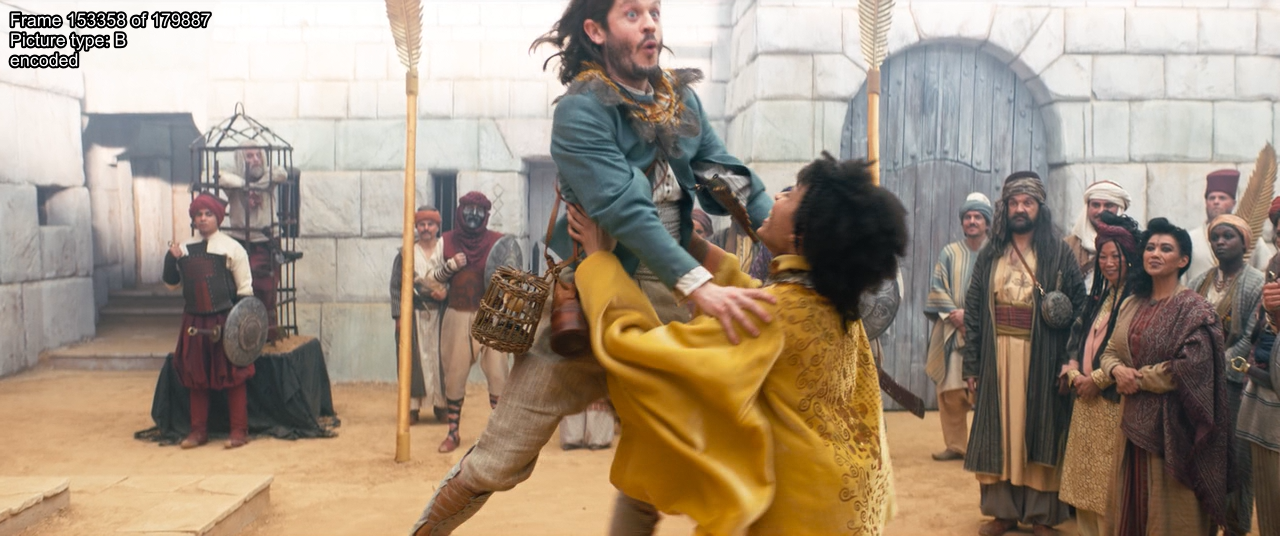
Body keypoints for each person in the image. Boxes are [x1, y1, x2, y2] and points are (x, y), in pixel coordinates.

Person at [410, 0, 773, 534]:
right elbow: (624, 207)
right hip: (585, 308)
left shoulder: (681, 101)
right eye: (632, 13)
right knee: (499, 457)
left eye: (655, 11)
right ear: (595, 30)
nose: (650, 23)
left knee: (662, 452)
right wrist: (699, 284)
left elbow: (727, 178)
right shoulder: (581, 110)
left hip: (671, 308)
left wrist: (784, 234)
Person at [565, 154, 903, 535]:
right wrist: (678, 240)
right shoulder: (838, 310)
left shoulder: (774, 315)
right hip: (850, 507)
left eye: (791, 195)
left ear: (803, 235)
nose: (777, 196)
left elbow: (644, 354)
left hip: (797, 518)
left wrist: (599, 262)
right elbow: (751, 294)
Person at [961, 171, 1085, 536]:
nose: (1020, 209)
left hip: (1042, 358)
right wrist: (972, 364)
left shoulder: (1059, 252)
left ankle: (1042, 516)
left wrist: (1068, 361)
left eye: (1027, 202)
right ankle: (1003, 512)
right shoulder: (991, 253)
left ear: (1039, 208)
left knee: (1039, 432)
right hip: (996, 356)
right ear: (1005, 208)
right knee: (998, 434)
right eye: (1013, 202)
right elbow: (973, 311)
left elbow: (1079, 308)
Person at [1099, 218, 1233, 535]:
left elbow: (1192, 366)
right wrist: (1116, 370)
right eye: (1150, 247)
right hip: (1130, 422)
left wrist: (1138, 379)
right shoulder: (1131, 302)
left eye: (1165, 249)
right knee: (1130, 502)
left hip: (1175, 427)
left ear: (1183, 260)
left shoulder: (1195, 308)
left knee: (1170, 511)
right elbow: (1109, 352)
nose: (1155, 254)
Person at [1058, 212, 1142, 536]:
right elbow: (1078, 337)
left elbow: (1131, 352)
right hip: (1084, 400)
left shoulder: (1137, 300)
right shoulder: (1101, 295)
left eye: (1115, 257)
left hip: (1112, 403)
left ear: (1130, 258)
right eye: (1103, 257)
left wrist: (1096, 380)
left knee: (1108, 485)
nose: (1107, 263)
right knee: (1083, 482)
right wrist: (1073, 372)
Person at [1187, 214, 1264, 536]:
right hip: (1198, 383)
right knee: (1203, 452)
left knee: (1236, 459)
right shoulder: (1199, 282)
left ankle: (1235, 527)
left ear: (1244, 243)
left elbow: (1251, 336)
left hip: (1235, 386)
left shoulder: (1257, 282)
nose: (1220, 242)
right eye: (1215, 237)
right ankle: (1201, 524)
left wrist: (1217, 365)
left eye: (1228, 236)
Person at [161, 193, 255, 449]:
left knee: (233, 375)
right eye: (198, 215)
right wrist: (171, 258)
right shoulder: (184, 248)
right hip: (194, 319)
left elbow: (245, 289)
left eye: (208, 214)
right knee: (196, 374)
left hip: (225, 319)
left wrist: (238, 325)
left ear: (218, 218)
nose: (202, 219)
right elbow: (171, 284)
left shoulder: (232, 248)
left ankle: (239, 431)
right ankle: (198, 431)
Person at [433, 192, 512, 453]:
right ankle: (453, 433)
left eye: (479, 211)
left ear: (486, 215)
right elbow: (434, 279)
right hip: (457, 314)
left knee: (499, 374)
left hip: (491, 315)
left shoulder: (498, 242)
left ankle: (498, 435)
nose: (474, 215)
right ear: (460, 210)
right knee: (454, 375)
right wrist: (450, 267)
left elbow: (510, 277)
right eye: (469, 209)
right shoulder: (445, 241)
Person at [924, 191, 992, 462]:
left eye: (978, 217)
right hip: (952, 330)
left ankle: (986, 447)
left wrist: (972, 319)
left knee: (986, 391)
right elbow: (937, 287)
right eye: (968, 217)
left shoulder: (997, 253)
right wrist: (956, 316)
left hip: (987, 332)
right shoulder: (949, 252)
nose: (972, 221)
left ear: (987, 222)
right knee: (951, 390)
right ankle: (956, 446)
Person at [389, 206, 460, 424]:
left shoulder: (445, 250)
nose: (426, 228)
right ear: (416, 227)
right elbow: (396, 286)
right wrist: (399, 317)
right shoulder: (406, 253)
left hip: (441, 314)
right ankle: (412, 408)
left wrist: (446, 293)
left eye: (430, 224)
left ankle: (441, 405)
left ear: (437, 226)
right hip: (414, 315)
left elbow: (457, 279)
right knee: (411, 360)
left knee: (443, 360)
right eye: (422, 224)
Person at [218, 145, 288, 341]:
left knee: (266, 289)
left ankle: (267, 334)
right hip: (240, 241)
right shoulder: (233, 182)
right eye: (249, 156)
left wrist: (256, 187)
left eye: (259, 155)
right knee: (240, 289)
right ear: (240, 159)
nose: (256, 160)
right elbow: (215, 176)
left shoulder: (268, 178)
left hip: (266, 241)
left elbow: (281, 173)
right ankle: (242, 336)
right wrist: (244, 186)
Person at [1240, 231, 1280, 536]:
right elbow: (1261, 340)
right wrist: (1273, 314)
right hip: (1266, 408)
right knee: (1271, 511)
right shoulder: (1274, 270)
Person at [1187, 169, 1274, 280]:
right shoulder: (1192, 238)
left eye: (1222, 198)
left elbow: (1266, 270)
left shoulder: (1249, 236)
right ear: (1206, 202)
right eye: (1212, 198)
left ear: (1233, 203)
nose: (1216, 202)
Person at [1065, 181, 1131, 293]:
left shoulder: (1131, 243)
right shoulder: (1068, 245)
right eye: (1096, 205)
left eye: (1108, 205)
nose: (1101, 211)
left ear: (1119, 208)